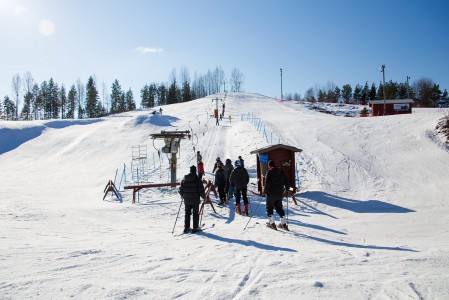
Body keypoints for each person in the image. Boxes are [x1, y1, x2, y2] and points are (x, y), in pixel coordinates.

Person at [263, 160, 290, 231]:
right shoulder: (281, 171)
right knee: (279, 208)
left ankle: (272, 223)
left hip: (271, 194)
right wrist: (287, 189)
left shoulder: (269, 172)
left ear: (269, 166)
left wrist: (264, 192)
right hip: (279, 194)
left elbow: (267, 183)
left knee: (270, 208)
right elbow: (286, 181)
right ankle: (283, 224)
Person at [179, 165, 206, 233]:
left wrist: (184, 196)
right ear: (195, 171)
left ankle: (186, 227)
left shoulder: (184, 179)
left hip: (187, 200)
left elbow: (180, 190)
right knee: (195, 214)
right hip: (195, 200)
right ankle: (195, 228)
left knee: (187, 213)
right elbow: (201, 190)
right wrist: (204, 197)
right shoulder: (197, 180)